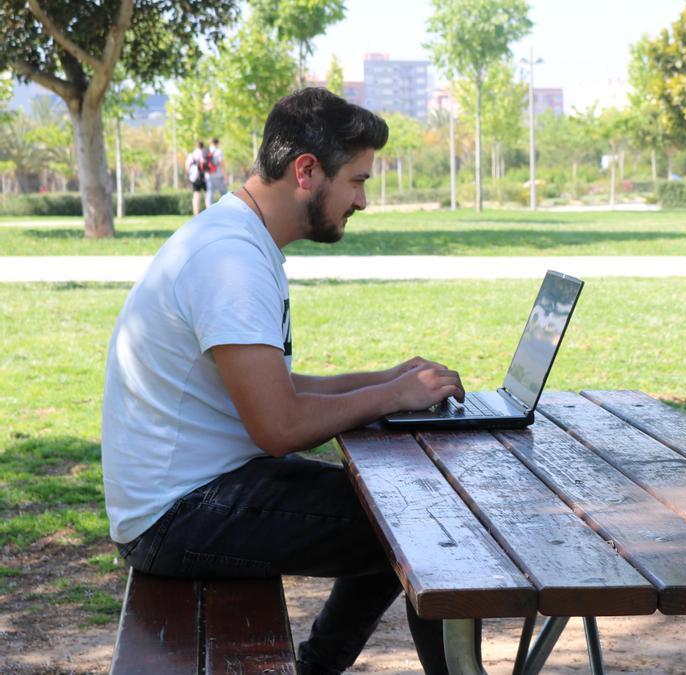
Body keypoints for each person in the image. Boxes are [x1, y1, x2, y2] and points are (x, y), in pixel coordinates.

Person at [102, 88, 465, 675]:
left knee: (396, 516)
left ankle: (317, 667)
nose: (363, 201)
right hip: (173, 516)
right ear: (306, 171)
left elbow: (278, 389)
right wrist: (395, 396)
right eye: (357, 180)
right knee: (411, 526)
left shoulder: (240, 239)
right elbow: (279, 426)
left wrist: (389, 378)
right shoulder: (230, 259)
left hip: (191, 493)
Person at [185, 139, 207, 215]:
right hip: (205, 177)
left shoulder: (192, 154)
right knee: (208, 195)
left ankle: (196, 213)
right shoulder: (206, 153)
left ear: (196, 145)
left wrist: (188, 175)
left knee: (196, 195)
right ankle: (209, 212)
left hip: (195, 177)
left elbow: (187, 166)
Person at [205, 136, 227, 208]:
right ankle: (225, 210)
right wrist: (225, 176)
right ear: (217, 143)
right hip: (218, 176)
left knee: (209, 195)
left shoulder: (206, 151)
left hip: (208, 176)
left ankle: (208, 211)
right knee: (224, 194)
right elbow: (221, 164)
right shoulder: (218, 151)